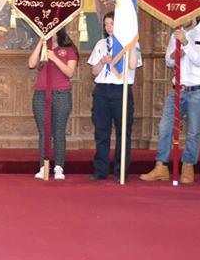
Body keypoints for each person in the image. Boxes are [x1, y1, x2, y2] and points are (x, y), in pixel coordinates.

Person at [140, 18, 200, 185]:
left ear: (195, 14)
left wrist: (186, 43)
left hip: (197, 90)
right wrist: (175, 55)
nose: (183, 18)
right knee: (165, 127)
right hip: (178, 89)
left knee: (193, 131)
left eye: (186, 15)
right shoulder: (176, 34)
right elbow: (169, 61)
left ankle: (188, 165)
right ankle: (161, 166)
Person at [88, 12, 141, 180]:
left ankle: (121, 171)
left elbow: (133, 65)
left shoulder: (130, 44)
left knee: (123, 132)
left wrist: (130, 45)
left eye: (112, 23)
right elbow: (94, 71)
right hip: (102, 90)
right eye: (106, 24)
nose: (109, 27)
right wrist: (102, 62)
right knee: (101, 132)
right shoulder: (101, 44)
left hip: (121, 90)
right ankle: (101, 170)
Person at [28, 29, 79, 179]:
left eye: (52, 31)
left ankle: (58, 167)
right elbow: (31, 64)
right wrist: (41, 41)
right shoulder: (43, 48)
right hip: (41, 94)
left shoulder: (68, 49)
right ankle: (43, 166)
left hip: (61, 94)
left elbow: (70, 72)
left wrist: (55, 58)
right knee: (44, 132)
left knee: (58, 132)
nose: (50, 34)